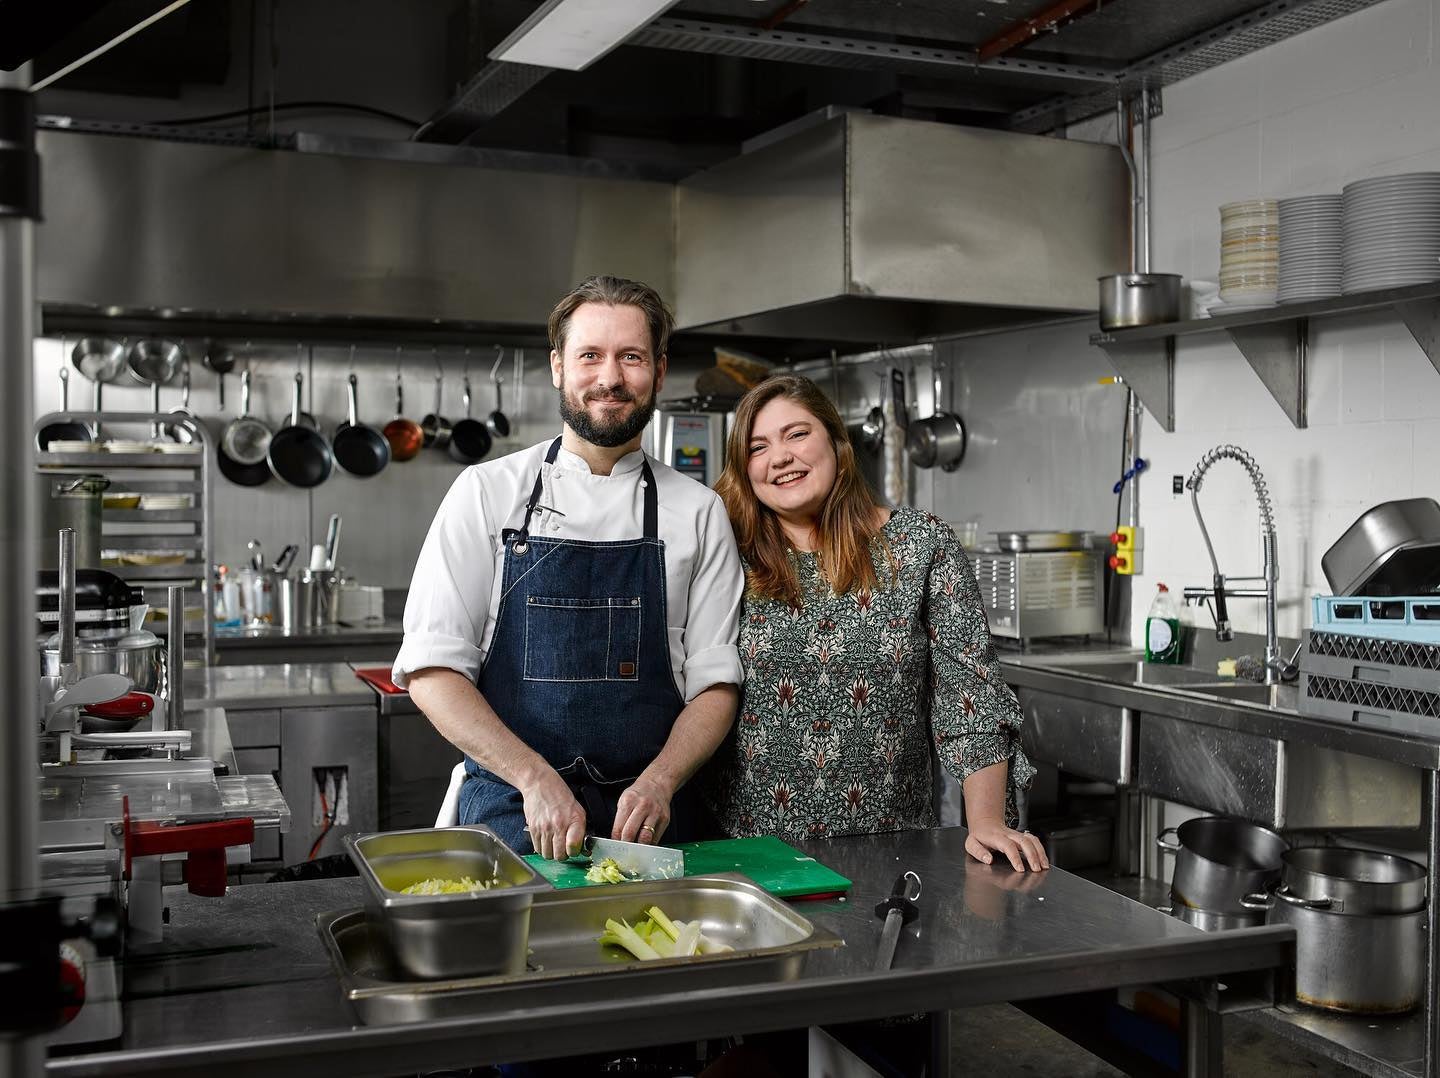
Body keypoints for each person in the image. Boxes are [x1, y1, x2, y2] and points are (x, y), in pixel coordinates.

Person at [394, 275, 744, 859]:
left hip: (652, 823)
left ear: (658, 371)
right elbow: (431, 671)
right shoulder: (485, 492)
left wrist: (659, 782)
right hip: (513, 812)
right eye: (590, 356)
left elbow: (716, 684)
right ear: (558, 366)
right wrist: (533, 778)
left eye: (630, 357)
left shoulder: (698, 511)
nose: (610, 378)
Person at [704, 373, 1047, 871]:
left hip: (889, 849)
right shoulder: (722, 550)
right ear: (743, 468)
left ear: (838, 444)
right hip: (746, 856)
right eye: (758, 447)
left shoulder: (921, 546)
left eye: (797, 434)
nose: (779, 457)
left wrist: (988, 822)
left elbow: (971, 698)